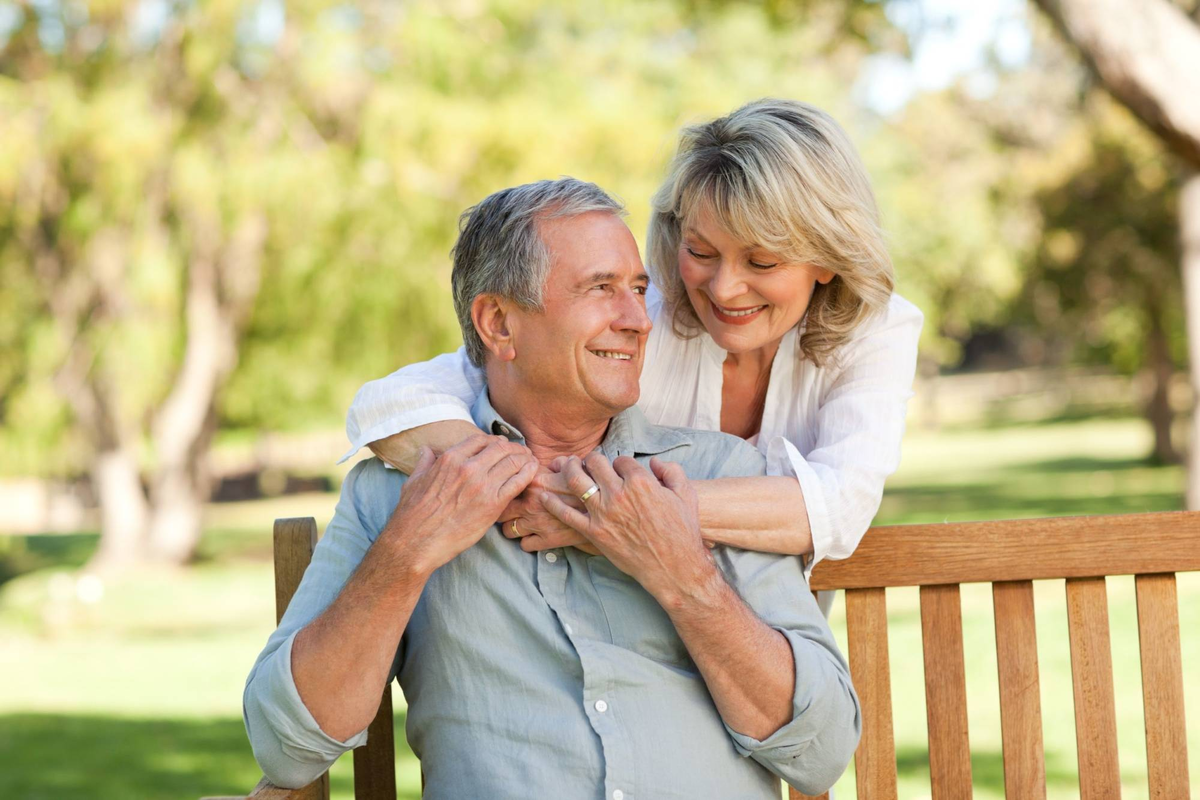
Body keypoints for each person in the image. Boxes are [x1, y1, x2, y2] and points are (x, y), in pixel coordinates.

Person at [243, 179, 860, 797]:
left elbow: (822, 750)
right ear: (498, 324)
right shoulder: (399, 493)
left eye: (638, 290)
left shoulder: (719, 471)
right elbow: (289, 748)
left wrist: (680, 571)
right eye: (600, 289)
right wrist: (406, 553)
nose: (636, 320)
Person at [341, 99, 923, 610]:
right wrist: (540, 489)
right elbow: (390, 406)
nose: (722, 288)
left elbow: (840, 507)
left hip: (762, 651)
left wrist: (615, 513)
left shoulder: (877, 330)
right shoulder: (640, 320)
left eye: (762, 263)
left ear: (827, 258)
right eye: (701, 251)